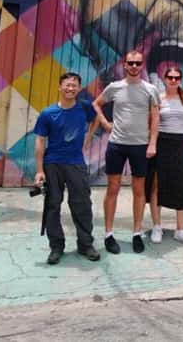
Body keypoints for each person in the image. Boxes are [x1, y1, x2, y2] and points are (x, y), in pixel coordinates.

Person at [92, 50, 160, 255]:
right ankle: (108, 234)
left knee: (139, 190)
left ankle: (136, 233)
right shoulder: (114, 87)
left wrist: (152, 143)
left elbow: (155, 118)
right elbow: (96, 104)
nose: (134, 66)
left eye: (138, 63)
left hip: (140, 146)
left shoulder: (151, 89)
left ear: (142, 65)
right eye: (131, 63)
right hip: (117, 144)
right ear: (125, 65)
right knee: (113, 188)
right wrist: (105, 123)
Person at [33, 72, 102, 265]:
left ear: (78, 88)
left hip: (76, 163)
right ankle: (56, 247)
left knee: (82, 204)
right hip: (52, 164)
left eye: (74, 85)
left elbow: (96, 119)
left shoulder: (84, 107)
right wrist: (39, 170)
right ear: (60, 87)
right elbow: (40, 141)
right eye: (67, 85)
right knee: (53, 205)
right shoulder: (47, 113)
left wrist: (88, 138)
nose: (70, 88)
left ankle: (85, 244)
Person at [148, 65, 183, 246]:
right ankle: (157, 227)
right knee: (156, 186)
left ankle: (181, 231)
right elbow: (153, 124)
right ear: (165, 79)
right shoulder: (158, 99)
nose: (173, 80)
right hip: (162, 144)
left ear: (180, 80)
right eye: (170, 77)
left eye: (177, 78)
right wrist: (152, 144)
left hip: (181, 144)